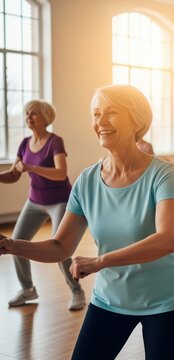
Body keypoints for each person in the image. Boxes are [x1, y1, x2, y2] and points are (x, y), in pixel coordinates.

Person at [0, 85, 174, 359]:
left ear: (136, 119)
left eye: (111, 113)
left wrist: (100, 262)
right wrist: (10, 245)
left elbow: (167, 239)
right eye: (96, 114)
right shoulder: (87, 180)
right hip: (109, 299)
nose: (100, 122)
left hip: (164, 301)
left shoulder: (162, 173)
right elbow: (60, 246)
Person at [0, 100, 85, 310]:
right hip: (35, 201)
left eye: (34, 113)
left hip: (60, 201)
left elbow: (61, 173)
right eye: (27, 113)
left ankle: (76, 291)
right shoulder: (24, 143)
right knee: (16, 242)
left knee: (60, 248)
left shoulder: (55, 142)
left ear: (46, 117)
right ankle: (27, 289)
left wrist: (32, 167)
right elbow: (13, 175)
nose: (29, 117)